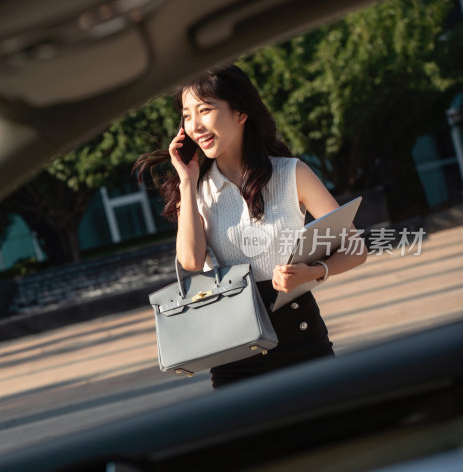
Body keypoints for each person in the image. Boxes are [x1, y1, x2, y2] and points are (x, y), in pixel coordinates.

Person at [135, 64, 367, 388]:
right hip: (233, 352)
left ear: (241, 112)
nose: (195, 125)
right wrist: (186, 182)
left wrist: (313, 272)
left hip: (302, 339)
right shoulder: (195, 191)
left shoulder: (291, 174)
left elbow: (355, 248)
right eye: (187, 115)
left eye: (205, 110)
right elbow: (190, 261)